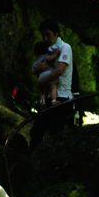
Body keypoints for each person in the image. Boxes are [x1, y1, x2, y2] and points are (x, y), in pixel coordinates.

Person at [29, 19, 75, 149]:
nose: (45, 38)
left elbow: (59, 70)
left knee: (55, 134)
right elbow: (38, 67)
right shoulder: (48, 49)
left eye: (48, 34)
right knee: (37, 133)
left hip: (61, 97)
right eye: (43, 35)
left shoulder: (65, 47)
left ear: (56, 34)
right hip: (48, 98)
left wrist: (41, 80)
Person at [32, 40, 60, 105]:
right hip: (48, 74)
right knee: (53, 86)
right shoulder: (45, 56)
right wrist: (56, 53)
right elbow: (49, 59)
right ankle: (54, 100)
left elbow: (33, 70)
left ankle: (42, 102)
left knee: (42, 92)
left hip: (41, 77)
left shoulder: (37, 60)